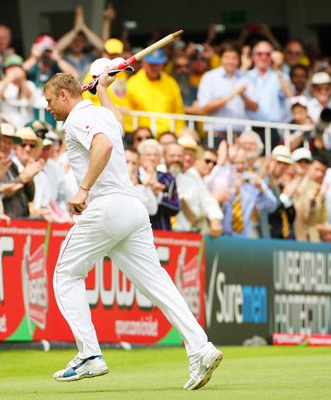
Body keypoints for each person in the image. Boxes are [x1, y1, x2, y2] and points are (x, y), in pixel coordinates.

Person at [44, 69, 222, 389]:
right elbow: (117, 129)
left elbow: (104, 145)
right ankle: (201, 347)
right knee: (158, 284)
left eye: (49, 101)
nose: (48, 108)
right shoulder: (100, 111)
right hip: (132, 209)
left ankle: (89, 355)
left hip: (107, 207)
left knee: (65, 275)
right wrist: (104, 92)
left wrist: (83, 188)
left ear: (64, 95)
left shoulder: (76, 120)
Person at [126, 49, 185, 135]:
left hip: (167, 134)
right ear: (144, 63)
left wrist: (178, 132)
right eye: (151, 64)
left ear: (162, 64)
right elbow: (128, 111)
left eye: (157, 64)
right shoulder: (132, 83)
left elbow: (178, 110)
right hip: (143, 135)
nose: (154, 67)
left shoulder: (171, 83)